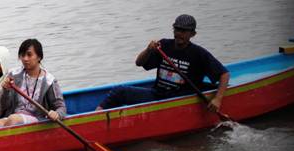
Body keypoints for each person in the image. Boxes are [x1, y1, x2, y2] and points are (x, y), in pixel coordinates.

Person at [96, 14, 229, 113]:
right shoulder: (164, 45)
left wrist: (218, 99)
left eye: (183, 31)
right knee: (119, 91)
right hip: (158, 94)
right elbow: (139, 63)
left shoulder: (198, 53)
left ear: (192, 34)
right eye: (177, 29)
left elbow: (224, 74)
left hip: (179, 99)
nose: (179, 34)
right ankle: (97, 116)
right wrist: (148, 50)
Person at [0, 39, 67, 128]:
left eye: (29, 55)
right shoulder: (13, 75)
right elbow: (4, 106)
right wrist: (5, 90)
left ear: (39, 57)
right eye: (23, 55)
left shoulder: (49, 81)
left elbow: (61, 108)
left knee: (13, 119)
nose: (25, 59)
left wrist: (56, 114)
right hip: (14, 116)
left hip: (36, 119)